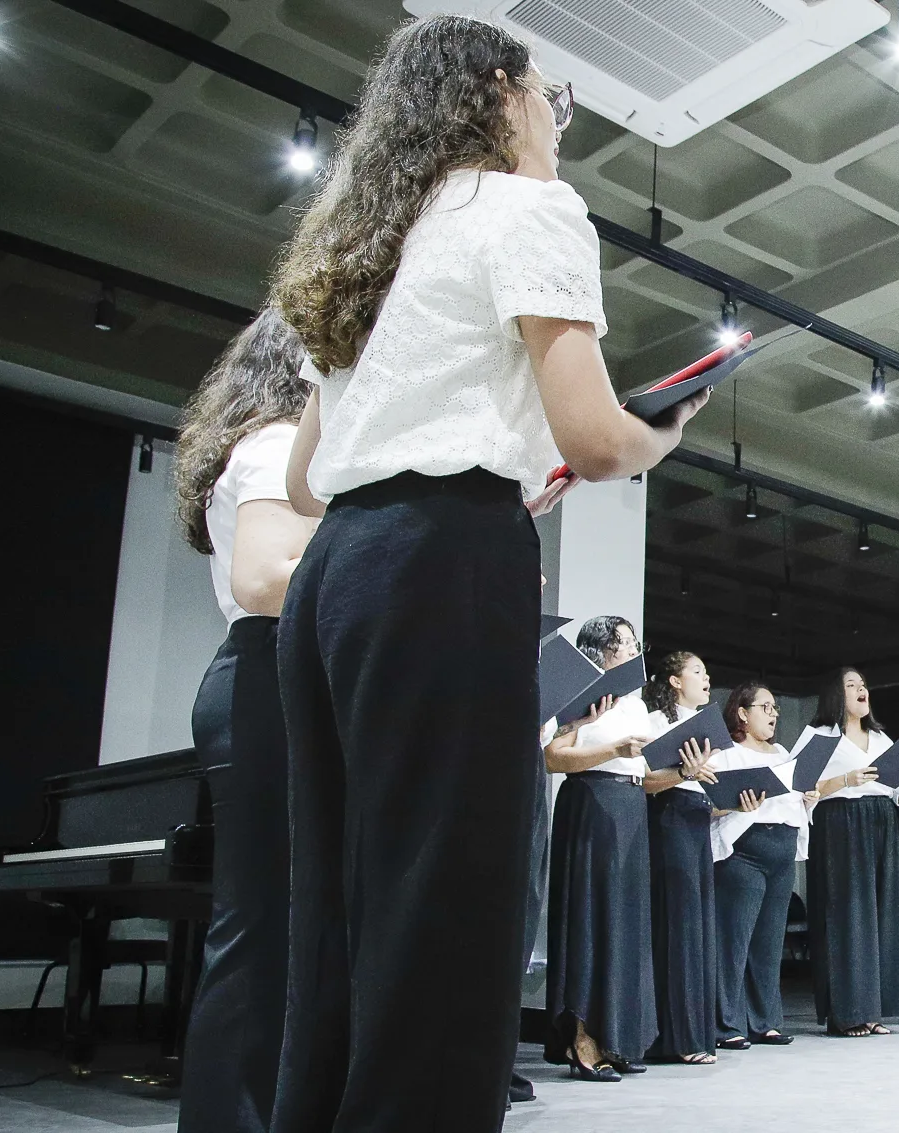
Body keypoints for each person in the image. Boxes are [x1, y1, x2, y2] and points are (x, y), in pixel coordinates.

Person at [268, 17, 707, 1129]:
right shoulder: (526, 209)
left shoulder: (360, 250)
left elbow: (314, 481)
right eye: (553, 99)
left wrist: (500, 474)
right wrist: (664, 433)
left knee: (338, 902)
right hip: (442, 565)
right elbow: (601, 438)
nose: (558, 126)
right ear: (501, 93)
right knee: (449, 901)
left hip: (339, 572)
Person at [173, 311, 315, 1133]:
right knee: (261, 936)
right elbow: (267, 582)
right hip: (268, 678)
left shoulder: (295, 450)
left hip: (283, 680)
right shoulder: (273, 445)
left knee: (285, 937)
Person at [540, 617, 676, 1081]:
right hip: (590, 806)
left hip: (631, 809)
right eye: (627, 642)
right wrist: (611, 751)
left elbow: (647, 775)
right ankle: (582, 1040)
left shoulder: (637, 706)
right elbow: (552, 758)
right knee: (590, 917)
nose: (635, 648)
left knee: (624, 924)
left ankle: (616, 1037)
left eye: (637, 641)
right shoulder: (581, 694)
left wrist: (685, 772)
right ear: (602, 649)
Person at [802, 667, 899, 1037]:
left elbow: (897, 788)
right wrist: (844, 780)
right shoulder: (819, 736)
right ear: (836, 694)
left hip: (882, 820)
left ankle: (874, 1009)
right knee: (847, 913)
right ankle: (846, 1012)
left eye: (864, 684)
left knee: (882, 911)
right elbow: (800, 787)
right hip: (841, 821)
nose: (861, 689)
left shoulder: (881, 738)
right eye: (851, 685)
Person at [709, 682, 815, 1050]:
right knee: (735, 942)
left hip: (781, 852)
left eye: (775, 708)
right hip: (745, 853)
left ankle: (765, 1021)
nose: (773, 714)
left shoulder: (784, 753)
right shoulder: (726, 754)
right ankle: (727, 1024)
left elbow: (791, 804)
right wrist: (737, 803)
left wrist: (808, 798)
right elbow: (711, 805)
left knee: (769, 944)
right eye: (766, 707)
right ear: (743, 712)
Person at [640, 651, 722, 1065]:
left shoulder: (708, 730)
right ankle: (676, 1037)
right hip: (668, 818)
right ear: (674, 681)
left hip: (697, 820)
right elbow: (645, 782)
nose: (706, 678)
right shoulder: (655, 722)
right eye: (697, 672)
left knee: (699, 927)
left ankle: (697, 1034)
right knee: (679, 925)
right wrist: (685, 774)